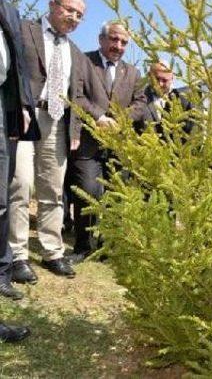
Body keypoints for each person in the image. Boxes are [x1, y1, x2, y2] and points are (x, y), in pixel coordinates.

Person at [9, 0, 88, 284]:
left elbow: (77, 95)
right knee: (21, 184)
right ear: (52, 5)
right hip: (26, 116)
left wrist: (75, 129)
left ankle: (53, 251)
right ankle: (17, 254)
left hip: (58, 122)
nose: (75, 18)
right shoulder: (23, 30)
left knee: (53, 189)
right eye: (70, 11)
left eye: (80, 15)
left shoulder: (75, 52)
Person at [68, 20, 146, 263]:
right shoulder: (84, 61)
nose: (118, 45)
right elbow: (77, 96)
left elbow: (141, 103)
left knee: (115, 195)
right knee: (88, 192)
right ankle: (83, 246)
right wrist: (99, 117)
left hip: (118, 144)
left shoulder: (133, 72)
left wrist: (121, 120)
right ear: (101, 39)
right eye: (113, 39)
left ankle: (107, 245)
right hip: (89, 141)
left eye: (123, 42)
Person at [0, 0, 39, 310]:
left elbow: (18, 67)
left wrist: (23, 106)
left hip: (2, 106)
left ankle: (1, 272)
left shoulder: (9, 11)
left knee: (3, 193)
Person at [137, 62, 193, 136]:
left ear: (172, 78)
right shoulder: (138, 98)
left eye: (164, 80)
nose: (160, 84)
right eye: (157, 79)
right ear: (150, 76)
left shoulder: (184, 99)